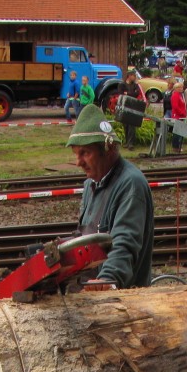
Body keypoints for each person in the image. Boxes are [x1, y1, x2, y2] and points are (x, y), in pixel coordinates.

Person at [66, 103, 155, 290]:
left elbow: (124, 243)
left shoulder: (131, 184)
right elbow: (85, 238)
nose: (78, 162)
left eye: (85, 153)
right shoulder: (91, 184)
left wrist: (107, 280)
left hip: (123, 300)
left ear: (108, 150)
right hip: (91, 294)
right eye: (76, 154)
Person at [116, 70, 145, 149]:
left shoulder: (135, 85)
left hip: (133, 107)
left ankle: (131, 143)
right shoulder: (122, 85)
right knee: (126, 125)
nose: (135, 77)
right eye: (133, 76)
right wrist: (130, 93)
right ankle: (127, 142)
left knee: (132, 125)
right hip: (124, 107)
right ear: (129, 76)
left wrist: (127, 93)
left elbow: (137, 93)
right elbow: (121, 93)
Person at [169, 81, 187, 154]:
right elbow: (175, 106)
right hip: (177, 116)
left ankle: (179, 146)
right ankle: (175, 147)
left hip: (182, 116)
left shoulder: (180, 95)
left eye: (182, 87)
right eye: (180, 87)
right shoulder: (175, 95)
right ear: (176, 88)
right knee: (177, 133)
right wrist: (182, 113)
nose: (182, 88)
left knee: (180, 133)